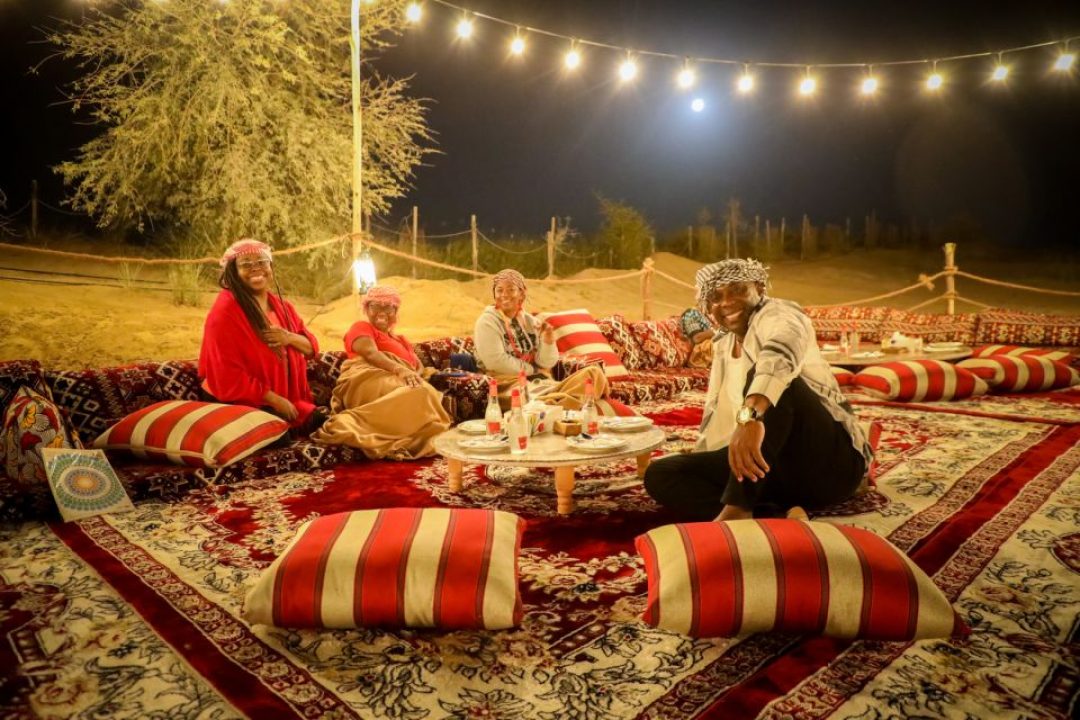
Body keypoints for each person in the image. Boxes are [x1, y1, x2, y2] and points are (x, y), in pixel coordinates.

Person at [643, 258, 872, 521]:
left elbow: (779, 353)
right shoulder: (724, 344)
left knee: (773, 380)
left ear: (760, 289)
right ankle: (775, 515)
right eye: (716, 297)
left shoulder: (779, 315)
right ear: (707, 307)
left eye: (738, 290)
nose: (727, 302)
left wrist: (750, 417)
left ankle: (739, 508)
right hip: (770, 469)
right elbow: (717, 416)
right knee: (661, 474)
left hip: (828, 467)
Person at [312, 285, 451, 460]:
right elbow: (370, 353)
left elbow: (417, 366)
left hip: (395, 379)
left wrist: (416, 373)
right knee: (421, 392)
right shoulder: (362, 326)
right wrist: (401, 369)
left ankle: (405, 438)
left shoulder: (401, 340)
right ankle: (349, 424)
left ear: (396, 311)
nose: (381, 311)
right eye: (374, 306)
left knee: (426, 393)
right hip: (364, 377)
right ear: (366, 309)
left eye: (388, 307)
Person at [199, 238, 320, 432]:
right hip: (236, 398)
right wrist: (275, 400)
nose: (256, 268)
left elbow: (311, 347)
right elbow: (226, 374)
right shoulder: (224, 313)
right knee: (278, 436)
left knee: (319, 421)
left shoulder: (283, 308)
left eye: (261, 262)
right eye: (246, 264)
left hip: (281, 397)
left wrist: (288, 338)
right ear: (234, 272)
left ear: (270, 267)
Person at [473, 268, 628, 415]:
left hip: (543, 384)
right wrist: (532, 370)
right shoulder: (487, 322)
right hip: (507, 384)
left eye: (510, 289)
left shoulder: (530, 321)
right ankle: (561, 406)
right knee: (527, 398)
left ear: (522, 293)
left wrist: (548, 342)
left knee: (593, 373)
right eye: (499, 290)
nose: (504, 295)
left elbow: (547, 363)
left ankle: (555, 405)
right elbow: (495, 361)